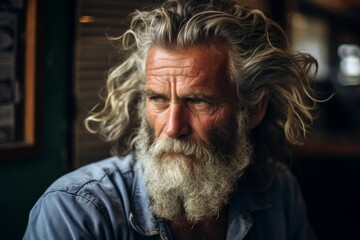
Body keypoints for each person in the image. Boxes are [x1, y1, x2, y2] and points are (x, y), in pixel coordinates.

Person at [24, 0, 319, 239]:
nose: (173, 127)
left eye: (198, 101)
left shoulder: (278, 193)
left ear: (254, 109)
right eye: (158, 99)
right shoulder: (77, 211)